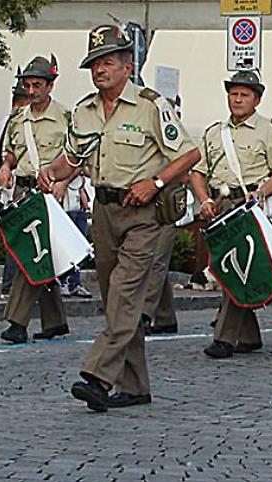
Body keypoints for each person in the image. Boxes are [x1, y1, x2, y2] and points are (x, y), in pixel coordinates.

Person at [38, 24, 201, 411]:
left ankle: (97, 375)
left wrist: (156, 182)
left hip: (144, 213)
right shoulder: (84, 110)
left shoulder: (151, 106)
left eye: (108, 62)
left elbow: (190, 154)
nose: (100, 70)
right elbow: (74, 159)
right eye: (94, 63)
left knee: (125, 296)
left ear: (128, 66)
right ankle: (135, 386)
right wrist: (52, 171)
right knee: (116, 299)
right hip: (105, 213)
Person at [191, 70, 272, 359]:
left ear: (256, 100)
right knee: (227, 268)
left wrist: (260, 193)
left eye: (244, 94)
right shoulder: (213, 131)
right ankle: (249, 336)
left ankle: (224, 338)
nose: (237, 99)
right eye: (233, 93)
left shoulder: (267, 130)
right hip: (220, 204)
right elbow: (198, 172)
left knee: (235, 268)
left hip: (248, 207)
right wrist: (204, 198)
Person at [0, 55, 71, 344]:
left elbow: (77, 155)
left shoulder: (65, 117)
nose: (31, 90)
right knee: (42, 254)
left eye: (37, 84)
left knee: (32, 254)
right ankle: (55, 321)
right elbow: (12, 153)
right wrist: (6, 167)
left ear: (50, 86)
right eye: (27, 85)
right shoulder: (18, 119)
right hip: (23, 191)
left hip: (49, 192)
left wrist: (64, 183)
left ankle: (17, 322)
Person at [0, 79, 33, 299]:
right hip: (18, 187)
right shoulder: (14, 122)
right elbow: (8, 155)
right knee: (19, 239)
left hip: (19, 188)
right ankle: (10, 286)